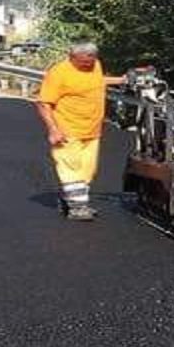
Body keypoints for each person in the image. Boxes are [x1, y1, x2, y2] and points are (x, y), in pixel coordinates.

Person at [34, 41, 123, 222]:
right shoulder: (59, 73)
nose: (87, 65)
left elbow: (96, 81)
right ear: (72, 57)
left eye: (90, 62)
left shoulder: (95, 66)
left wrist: (121, 80)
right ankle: (77, 207)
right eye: (83, 62)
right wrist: (53, 130)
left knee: (87, 170)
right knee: (70, 167)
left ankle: (72, 198)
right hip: (67, 129)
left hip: (92, 130)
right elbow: (43, 103)